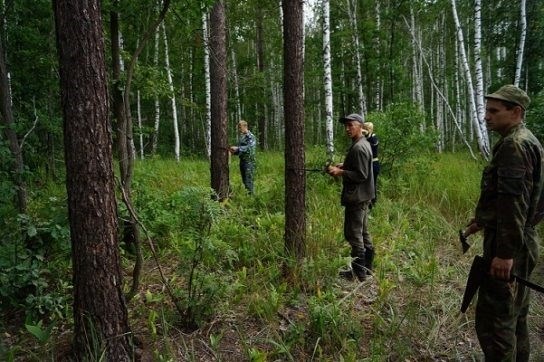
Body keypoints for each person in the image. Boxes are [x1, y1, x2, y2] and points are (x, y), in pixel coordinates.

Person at [462, 84, 544, 361]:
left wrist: (504, 253)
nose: (486, 116)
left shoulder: (514, 146)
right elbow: (528, 199)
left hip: (510, 244)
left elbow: (514, 203)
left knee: (497, 322)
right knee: (515, 314)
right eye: (486, 110)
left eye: (494, 111)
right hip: (521, 237)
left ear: (516, 112)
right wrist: (482, 220)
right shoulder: (528, 140)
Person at [327, 113, 375, 281]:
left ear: (360, 126)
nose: (347, 129)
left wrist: (340, 172)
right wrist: (345, 165)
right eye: (346, 126)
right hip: (362, 196)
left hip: (357, 198)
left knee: (354, 234)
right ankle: (367, 269)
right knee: (363, 233)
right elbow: (359, 167)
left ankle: (359, 273)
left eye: (351, 125)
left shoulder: (360, 147)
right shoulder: (361, 143)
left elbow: (361, 174)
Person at [230, 120, 257, 194]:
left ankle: (251, 198)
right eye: (238, 128)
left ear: (245, 126)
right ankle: (248, 197)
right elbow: (241, 149)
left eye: (240, 127)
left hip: (249, 162)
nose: (239, 130)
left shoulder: (251, 136)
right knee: (244, 181)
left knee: (248, 181)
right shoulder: (242, 137)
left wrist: (238, 148)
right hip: (242, 161)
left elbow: (250, 148)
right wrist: (234, 152)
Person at [363, 122, 380, 208]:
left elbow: (374, 145)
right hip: (366, 164)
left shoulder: (374, 137)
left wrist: (368, 135)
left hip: (374, 165)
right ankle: (366, 203)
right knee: (365, 184)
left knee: (372, 185)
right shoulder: (364, 138)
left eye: (365, 128)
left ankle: (372, 205)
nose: (364, 129)